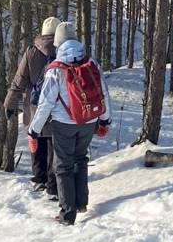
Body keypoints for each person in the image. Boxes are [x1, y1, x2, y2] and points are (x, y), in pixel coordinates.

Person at [29, 22, 112, 225]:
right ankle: (81, 202)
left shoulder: (55, 70)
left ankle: (67, 214)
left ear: (57, 43)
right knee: (80, 158)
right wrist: (105, 119)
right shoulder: (91, 63)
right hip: (88, 121)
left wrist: (34, 129)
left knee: (63, 165)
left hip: (64, 123)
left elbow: (46, 103)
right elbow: (104, 93)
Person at [5, 16, 61, 198]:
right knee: (55, 145)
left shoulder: (31, 52)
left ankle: (39, 179)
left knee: (37, 140)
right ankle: (53, 186)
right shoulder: (64, 51)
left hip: (35, 106)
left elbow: (19, 80)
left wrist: (10, 103)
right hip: (59, 106)